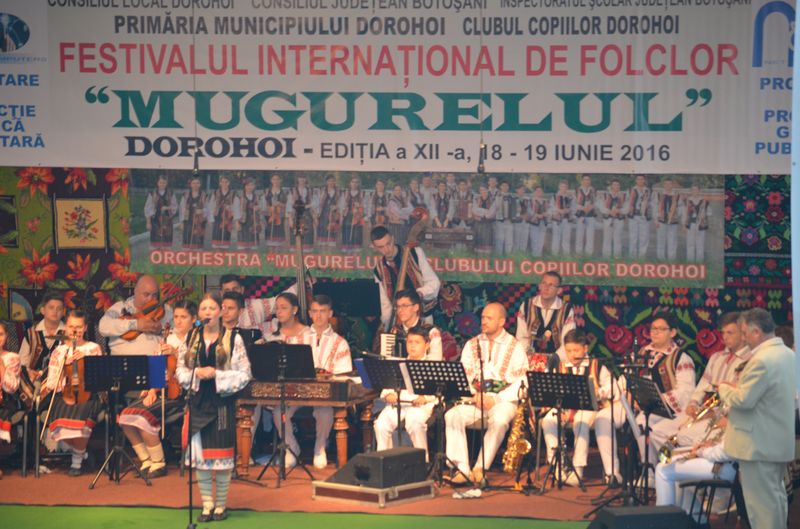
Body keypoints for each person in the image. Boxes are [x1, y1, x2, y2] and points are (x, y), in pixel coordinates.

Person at [718, 308, 795, 529]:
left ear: (756, 332)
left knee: (761, 508)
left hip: (757, 444)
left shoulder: (761, 360)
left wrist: (723, 387)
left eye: (744, 333)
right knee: (776, 500)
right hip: (776, 440)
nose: (743, 338)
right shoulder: (788, 354)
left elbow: (743, 400)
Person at [177, 293, 252, 523]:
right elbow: (180, 370)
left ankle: (220, 505)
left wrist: (217, 374)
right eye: (203, 309)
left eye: (212, 308)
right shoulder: (191, 337)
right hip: (198, 400)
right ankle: (207, 505)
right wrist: (196, 373)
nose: (207, 312)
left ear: (220, 311)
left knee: (221, 457)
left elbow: (244, 374)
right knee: (200, 458)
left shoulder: (233, 339)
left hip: (221, 402)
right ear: (198, 314)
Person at [446, 302, 528, 484]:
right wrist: (474, 394)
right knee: (452, 415)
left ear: (501, 322)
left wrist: (496, 398)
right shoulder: (472, 344)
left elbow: (522, 381)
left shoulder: (515, 346)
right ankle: (462, 469)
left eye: (489, 318)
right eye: (483, 317)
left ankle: (480, 467)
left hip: (503, 400)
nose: (483, 321)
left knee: (499, 420)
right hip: (476, 399)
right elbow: (464, 375)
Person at [650, 312, 752, 453]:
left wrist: (713, 413)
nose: (725, 337)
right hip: (703, 411)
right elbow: (702, 386)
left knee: (683, 435)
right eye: (723, 333)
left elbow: (741, 397)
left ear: (743, 334)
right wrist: (693, 404)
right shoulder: (717, 357)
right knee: (658, 431)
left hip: (723, 417)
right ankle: (667, 464)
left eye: (730, 333)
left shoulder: (749, 360)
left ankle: (687, 461)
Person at [119, 300, 197, 478]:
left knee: (141, 416)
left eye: (184, 317)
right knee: (125, 417)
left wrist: (177, 354)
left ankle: (159, 462)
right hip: (163, 390)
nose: (178, 321)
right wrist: (151, 389)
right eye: (176, 317)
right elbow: (156, 368)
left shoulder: (197, 340)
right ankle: (146, 460)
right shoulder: (167, 339)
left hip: (183, 394)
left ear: (193, 319)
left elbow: (196, 367)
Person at [541, 330, 611, 486]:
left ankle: (578, 469)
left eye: (576, 350)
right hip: (565, 407)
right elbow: (551, 389)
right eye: (568, 351)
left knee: (580, 420)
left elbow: (611, 387)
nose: (572, 355)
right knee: (548, 421)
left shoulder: (596, 365)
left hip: (589, 408)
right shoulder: (560, 366)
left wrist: (598, 393)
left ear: (585, 348)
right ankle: (558, 465)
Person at [40, 310, 104, 476]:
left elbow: (99, 380)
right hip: (65, 395)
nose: (75, 330)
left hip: (87, 395)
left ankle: (76, 462)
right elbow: (52, 383)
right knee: (60, 427)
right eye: (71, 326)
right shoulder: (59, 351)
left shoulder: (93, 348)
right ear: (65, 327)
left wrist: (86, 361)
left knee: (81, 421)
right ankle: (82, 452)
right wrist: (65, 367)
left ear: (85, 328)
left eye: (79, 327)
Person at [633, 313, 696, 469]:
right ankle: (624, 471)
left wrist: (656, 400)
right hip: (644, 405)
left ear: (672, 332)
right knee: (619, 417)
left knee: (642, 422)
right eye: (653, 329)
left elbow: (686, 392)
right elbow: (631, 377)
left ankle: (653, 469)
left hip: (671, 409)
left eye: (661, 329)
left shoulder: (680, 357)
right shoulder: (643, 353)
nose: (655, 332)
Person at [265, 293, 317, 469]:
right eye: (277, 308)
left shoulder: (309, 334)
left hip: (307, 391)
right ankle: (291, 447)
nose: (279, 312)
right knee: (278, 412)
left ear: (295, 310)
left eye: (284, 308)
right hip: (284, 392)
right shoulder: (272, 338)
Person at [374, 325, 437, 458]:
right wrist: (388, 395)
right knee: (380, 425)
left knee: (415, 424)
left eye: (417, 342)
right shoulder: (398, 363)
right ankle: (384, 460)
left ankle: (422, 461)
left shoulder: (432, 365)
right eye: (410, 342)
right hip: (398, 405)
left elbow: (437, 393)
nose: (412, 346)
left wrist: (425, 398)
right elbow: (386, 388)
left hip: (419, 407)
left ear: (426, 345)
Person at [655, 426, 735, 523]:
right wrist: (712, 445)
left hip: (726, 466)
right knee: (676, 465)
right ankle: (695, 518)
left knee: (663, 470)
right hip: (728, 463)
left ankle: (663, 523)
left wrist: (702, 451)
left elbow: (727, 451)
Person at [370, 226, 440, 330]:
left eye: (388, 243)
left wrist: (420, 293)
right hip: (399, 321)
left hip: (422, 316)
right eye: (381, 247)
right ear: (375, 247)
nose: (387, 250)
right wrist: (388, 328)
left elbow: (434, 283)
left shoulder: (415, 253)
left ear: (393, 239)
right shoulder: (378, 270)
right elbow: (385, 305)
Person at [99, 275, 173, 356]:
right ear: (135, 291)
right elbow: (103, 326)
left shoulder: (165, 309)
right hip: (125, 360)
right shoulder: (120, 307)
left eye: (154, 295)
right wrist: (136, 324)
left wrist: (161, 331)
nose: (150, 299)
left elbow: (177, 332)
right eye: (146, 294)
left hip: (156, 360)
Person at [18, 291, 65, 410]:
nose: (55, 311)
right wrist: (28, 371)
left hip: (57, 377)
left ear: (63, 312)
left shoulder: (68, 333)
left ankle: (46, 411)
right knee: (19, 376)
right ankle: (27, 411)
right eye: (51, 308)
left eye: (59, 308)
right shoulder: (32, 333)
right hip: (33, 376)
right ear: (43, 310)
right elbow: (22, 361)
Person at [515, 271, 575, 362]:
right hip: (529, 359)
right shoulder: (526, 306)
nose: (546, 288)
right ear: (539, 286)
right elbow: (521, 337)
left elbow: (567, 342)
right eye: (544, 283)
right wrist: (530, 358)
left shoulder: (567, 310)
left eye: (551, 285)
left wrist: (554, 359)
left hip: (557, 360)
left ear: (559, 290)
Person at [384, 289, 443, 360]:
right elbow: (387, 359)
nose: (400, 310)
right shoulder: (394, 331)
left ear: (416, 307)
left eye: (404, 306)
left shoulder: (431, 332)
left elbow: (435, 360)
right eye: (398, 307)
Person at [0, 322, 22, 449]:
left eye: (1, 334)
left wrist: (1, 365)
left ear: (6, 336)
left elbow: (11, 388)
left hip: (6, 400)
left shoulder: (13, 358)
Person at [145, 175, 178, 248]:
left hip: (167, 221)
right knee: (155, 244)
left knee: (166, 244)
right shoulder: (152, 193)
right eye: (160, 182)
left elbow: (175, 206)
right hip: (155, 221)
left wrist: (167, 207)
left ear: (166, 183)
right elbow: (148, 208)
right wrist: (148, 222)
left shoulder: (171, 193)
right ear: (157, 183)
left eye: (164, 183)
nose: (162, 184)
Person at [208, 175, 240, 248]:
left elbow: (236, 207)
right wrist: (210, 219)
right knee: (216, 239)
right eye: (222, 182)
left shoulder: (233, 194)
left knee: (225, 239)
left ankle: (224, 251)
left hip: (228, 218)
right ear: (220, 183)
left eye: (226, 182)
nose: (224, 184)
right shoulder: (215, 193)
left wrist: (236, 220)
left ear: (229, 183)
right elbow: (211, 206)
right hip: (217, 218)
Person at [654, 178, 681, 262]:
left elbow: (682, 207)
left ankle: (671, 260)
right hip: (661, 220)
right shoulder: (659, 195)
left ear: (672, 185)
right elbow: (655, 207)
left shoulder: (677, 195)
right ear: (664, 185)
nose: (668, 185)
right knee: (660, 240)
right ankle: (660, 259)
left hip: (673, 222)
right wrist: (656, 219)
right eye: (666, 184)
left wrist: (675, 214)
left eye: (669, 184)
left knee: (672, 241)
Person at [626, 174, 652, 258]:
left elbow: (651, 203)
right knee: (633, 237)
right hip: (633, 216)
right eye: (638, 179)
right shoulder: (631, 190)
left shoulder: (648, 190)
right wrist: (627, 214)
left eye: (642, 179)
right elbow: (627, 202)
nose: (640, 181)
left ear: (644, 180)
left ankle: (641, 257)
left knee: (644, 237)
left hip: (644, 216)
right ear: (636, 180)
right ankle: (632, 257)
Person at [598, 179, 626, 258]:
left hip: (619, 219)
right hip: (608, 219)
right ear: (611, 186)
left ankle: (617, 257)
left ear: (620, 186)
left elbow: (627, 208)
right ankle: (606, 257)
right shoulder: (605, 195)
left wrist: (619, 211)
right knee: (607, 239)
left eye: (618, 185)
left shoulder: (623, 196)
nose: (616, 186)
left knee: (618, 239)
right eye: (614, 185)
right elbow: (601, 207)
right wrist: (609, 211)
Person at [683, 184, 711, 263]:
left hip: (701, 225)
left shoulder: (704, 201)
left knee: (700, 244)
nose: (694, 191)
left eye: (696, 190)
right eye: (693, 190)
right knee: (690, 244)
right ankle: (690, 262)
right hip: (690, 224)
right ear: (691, 191)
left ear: (699, 191)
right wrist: (684, 224)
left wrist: (704, 214)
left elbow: (709, 212)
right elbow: (684, 213)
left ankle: (699, 263)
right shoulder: (687, 201)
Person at [180, 174, 208, 249]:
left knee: (198, 242)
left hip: (199, 222)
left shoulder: (204, 195)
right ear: (191, 184)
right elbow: (182, 209)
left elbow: (208, 208)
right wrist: (182, 222)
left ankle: (197, 255)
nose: (195, 185)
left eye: (197, 183)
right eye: (193, 183)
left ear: (200, 184)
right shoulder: (185, 195)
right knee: (187, 241)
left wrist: (202, 211)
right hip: (188, 221)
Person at [286, 175, 314, 247]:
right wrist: (290, 218)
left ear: (305, 179)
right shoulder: (293, 190)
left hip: (306, 214)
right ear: (298, 179)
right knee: (295, 233)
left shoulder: (309, 190)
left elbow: (314, 203)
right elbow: (289, 204)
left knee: (307, 233)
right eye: (300, 178)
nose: (302, 180)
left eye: (303, 178)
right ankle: (296, 251)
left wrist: (308, 206)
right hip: (296, 214)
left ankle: (307, 249)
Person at [340, 176, 366, 251]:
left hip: (358, 215)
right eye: (353, 182)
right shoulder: (346, 193)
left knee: (357, 231)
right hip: (348, 214)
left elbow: (365, 205)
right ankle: (346, 246)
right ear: (350, 183)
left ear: (358, 184)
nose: (354, 184)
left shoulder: (361, 194)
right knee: (347, 229)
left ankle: (356, 247)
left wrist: (359, 206)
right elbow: (342, 204)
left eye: (356, 182)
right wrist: (344, 210)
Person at [550, 180, 574, 255]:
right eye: (562, 186)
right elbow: (551, 207)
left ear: (567, 187)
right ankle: (554, 256)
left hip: (567, 220)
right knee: (556, 238)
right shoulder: (554, 196)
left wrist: (568, 210)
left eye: (565, 187)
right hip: (557, 220)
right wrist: (559, 210)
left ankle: (566, 256)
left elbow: (574, 207)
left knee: (566, 239)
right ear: (559, 187)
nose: (564, 188)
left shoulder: (570, 197)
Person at [573, 175, 597, 255]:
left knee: (590, 237)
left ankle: (589, 255)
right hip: (580, 216)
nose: (586, 181)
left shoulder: (593, 190)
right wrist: (583, 208)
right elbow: (573, 203)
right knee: (579, 236)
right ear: (582, 181)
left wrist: (592, 206)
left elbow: (597, 202)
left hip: (591, 216)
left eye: (588, 180)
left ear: (590, 181)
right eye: (585, 180)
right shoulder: (577, 190)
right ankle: (578, 254)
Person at [236, 177, 261, 249]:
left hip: (254, 223)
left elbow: (262, 209)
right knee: (243, 247)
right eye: (248, 185)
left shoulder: (257, 197)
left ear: (254, 186)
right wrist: (237, 222)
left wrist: (258, 207)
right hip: (243, 223)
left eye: (252, 185)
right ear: (244, 186)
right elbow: (236, 210)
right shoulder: (239, 197)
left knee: (253, 247)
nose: (250, 187)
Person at [263, 173, 287, 246]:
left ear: (280, 180)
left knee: (279, 241)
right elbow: (264, 204)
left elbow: (288, 205)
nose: (276, 181)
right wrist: (270, 208)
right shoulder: (267, 191)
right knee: (270, 240)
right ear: (271, 180)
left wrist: (279, 204)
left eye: (277, 179)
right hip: (269, 216)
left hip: (280, 217)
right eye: (274, 179)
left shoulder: (284, 192)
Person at [316, 174, 340, 246]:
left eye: (332, 181)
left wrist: (336, 206)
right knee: (323, 225)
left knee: (332, 226)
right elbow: (319, 202)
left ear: (335, 182)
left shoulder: (337, 191)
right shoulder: (323, 190)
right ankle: (323, 242)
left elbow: (340, 202)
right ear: (326, 182)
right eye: (329, 181)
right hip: (324, 212)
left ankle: (331, 242)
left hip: (333, 212)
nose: (331, 183)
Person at [472, 184, 496, 254]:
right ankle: (478, 256)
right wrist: (485, 212)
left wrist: (480, 211)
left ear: (488, 190)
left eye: (484, 190)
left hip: (488, 223)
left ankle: (486, 256)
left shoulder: (492, 200)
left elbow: (491, 213)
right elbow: (474, 210)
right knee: (478, 239)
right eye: (481, 190)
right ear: (479, 191)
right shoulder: (476, 199)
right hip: (478, 223)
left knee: (487, 240)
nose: (483, 192)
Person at [528, 186, 549, 257]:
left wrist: (546, 213)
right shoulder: (531, 201)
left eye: (540, 191)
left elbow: (550, 210)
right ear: (535, 192)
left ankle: (539, 255)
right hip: (534, 222)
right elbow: (529, 210)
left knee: (541, 240)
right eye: (537, 191)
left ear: (543, 192)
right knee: (534, 240)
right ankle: (534, 255)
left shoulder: (545, 201)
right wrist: (536, 215)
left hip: (543, 222)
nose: (539, 192)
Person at [511, 183, 530, 253]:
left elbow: (530, 209)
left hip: (526, 222)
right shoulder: (513, 199)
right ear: (517, 190)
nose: (522, 191)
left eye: (523, 189)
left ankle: (522, 254)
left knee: (524, 240)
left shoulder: (527, 199)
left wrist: (528, 215)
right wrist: (520, 216)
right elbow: (512, 211)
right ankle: (515, 255)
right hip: (517, 221)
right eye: (520, 189)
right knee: (516, 240)